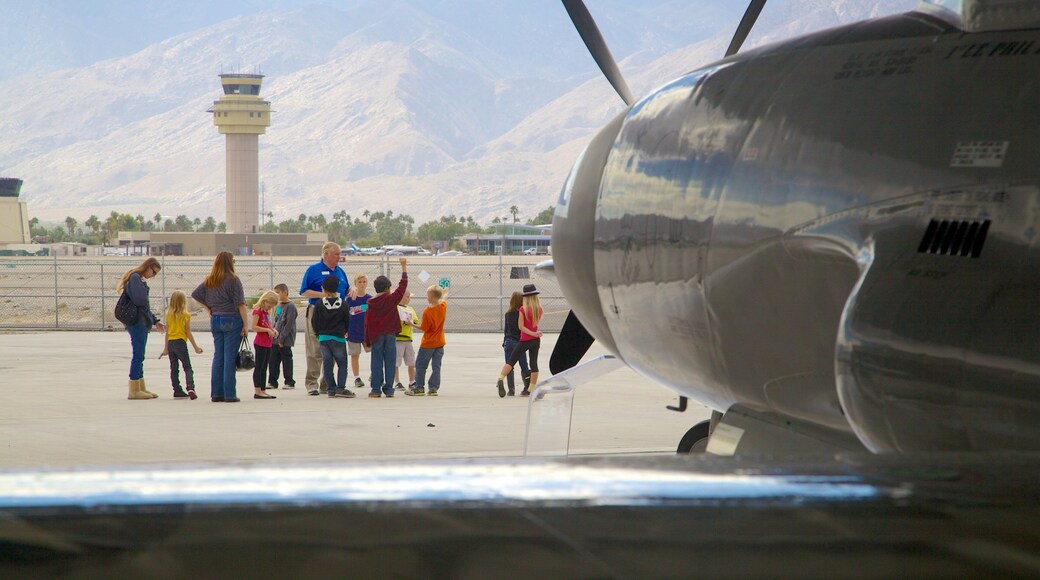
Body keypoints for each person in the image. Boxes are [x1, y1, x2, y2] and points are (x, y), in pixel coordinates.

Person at [191, 251, 250, 403]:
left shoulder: (211, 280)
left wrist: (208, 308)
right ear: (230, 263)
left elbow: (195, 294)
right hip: (232, 318)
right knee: (229, 357)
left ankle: (217, 393)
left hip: (216, 319)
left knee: (218, 356)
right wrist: (245, 325)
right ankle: (230, 394)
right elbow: (240, 304)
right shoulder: (233, 280)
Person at [299, 242, 350, 396]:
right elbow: (304, 291)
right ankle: (311, 383)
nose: (339, 257)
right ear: (326, 253)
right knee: (315, 349)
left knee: (333, 350)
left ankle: (326, 383)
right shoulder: (313, 270)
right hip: (318, 311)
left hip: (336, 314)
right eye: (336, 254)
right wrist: (324, 296)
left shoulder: (340, 271)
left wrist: (353, 290)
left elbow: (346, 289)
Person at [118, 257, 166, 400]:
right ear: (148, 266)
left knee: (140, 355)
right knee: (138, 355)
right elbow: (141, 301)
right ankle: (134, 389)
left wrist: (155, 321)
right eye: (153, 272)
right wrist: (143, 286)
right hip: (136, 322)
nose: (153, 275)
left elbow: (144, 307)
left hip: (141, 322)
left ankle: (140, 387)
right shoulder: (135, 278)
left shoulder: (139, 280)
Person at [364, 258, 409, 398]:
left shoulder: (371, 303)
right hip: (390, 334)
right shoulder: (391, 299)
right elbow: (402, 286)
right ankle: (389, 389)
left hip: (376, 335)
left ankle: (375, 389)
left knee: (376, 362)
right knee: (390, 361)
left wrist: (367, 339)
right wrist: (404, 267)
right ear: (388, 288)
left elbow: (367, 322)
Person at [311, 275, 354, 398]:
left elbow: (314, 321)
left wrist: (318, 333)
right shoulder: (343, 304)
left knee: (327, 364)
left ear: (323, 289)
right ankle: (340, 388)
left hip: (324, 338)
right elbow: (347, 320)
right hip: (339, 338)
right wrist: (345, 331)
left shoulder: (319, 304)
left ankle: (331, 389)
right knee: (342, 364)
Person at [496, 284, 542, 397]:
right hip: (535, 340)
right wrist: (535, 334)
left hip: (524, 340)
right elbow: (534, 325)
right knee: (533, 364)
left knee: (511, 361)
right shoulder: (539, 309)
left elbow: (521, 327)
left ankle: (501, 379)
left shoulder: (522, 309)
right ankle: (529, 389)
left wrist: (531, 334)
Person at [159, 289, 203, 400]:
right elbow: (188, 332)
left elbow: (167, 333)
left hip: (171, 343)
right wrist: (196, 347)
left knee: (174, 368)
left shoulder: (168, 314)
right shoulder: (186, 315)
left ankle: (177, 390)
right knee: (187, 367)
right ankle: (190, 387)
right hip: (180, 343)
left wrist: (165, 348)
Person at [407, 284, 448, 396]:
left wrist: (411, 324)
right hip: (440, 342)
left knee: (421, 365)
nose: (427, 297)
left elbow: (424, 327)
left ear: (432, 297)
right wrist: (445, 293)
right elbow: (444, 299)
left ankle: (419, 387)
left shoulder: (427, 311)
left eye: (428, 295)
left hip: (428, 343)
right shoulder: (442, 306)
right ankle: (433, 388)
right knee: (436, 366)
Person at [500, 291, 530, 397]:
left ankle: (511, 390)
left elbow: (506, 330)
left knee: (509, 365)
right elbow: (522, 329)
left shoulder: (508, 314)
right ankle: (527, 387)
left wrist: (504, 342)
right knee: (524, 365)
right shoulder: (521, 314)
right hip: (519, 342)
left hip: (508, 341)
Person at [268, 283, 297, 390]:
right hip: (275, 338)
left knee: (286, 360)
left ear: (285, 292)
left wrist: (282, 338)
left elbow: (289, 324)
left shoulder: (291, 306)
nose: (277, 295)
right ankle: (272, 381)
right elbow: (277, 320)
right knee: (273, 360)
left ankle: (289, 381)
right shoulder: (279, 306)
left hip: (285, 339)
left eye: (278, 293)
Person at [251, 290, 279, 400]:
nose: (270, 307)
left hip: (268, 343)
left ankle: (262, 389)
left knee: (264, 367)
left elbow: (267, 325)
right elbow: (254, 326)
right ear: (265, 300)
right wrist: (267, 330)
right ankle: (257, 390)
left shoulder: (266, 313)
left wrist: (273, 330)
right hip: (260, 343)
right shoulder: (257, 312)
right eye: (269, 305)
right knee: (259, 367)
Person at [346, 274, 371, 389]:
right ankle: (357, 377)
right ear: (355, 284)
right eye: (359, 282)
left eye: (364, 282)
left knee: (374, 352)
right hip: (353, 330)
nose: (362, 284)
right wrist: (345, 329)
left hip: (367, 331)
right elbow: (346, 314)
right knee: (355, 354)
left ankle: (374, 373)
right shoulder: (350, 299)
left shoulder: (370, 299)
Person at [393, 292, 419, 390]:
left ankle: (412, 381)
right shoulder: (395, 308)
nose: (409, 299)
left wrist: (410, 322)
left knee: (411, 361)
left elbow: (415, 321)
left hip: (408, 339)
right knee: (396, 362)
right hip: (398, 338)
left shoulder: (410, 309)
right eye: (407, 297)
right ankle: (397, 381)